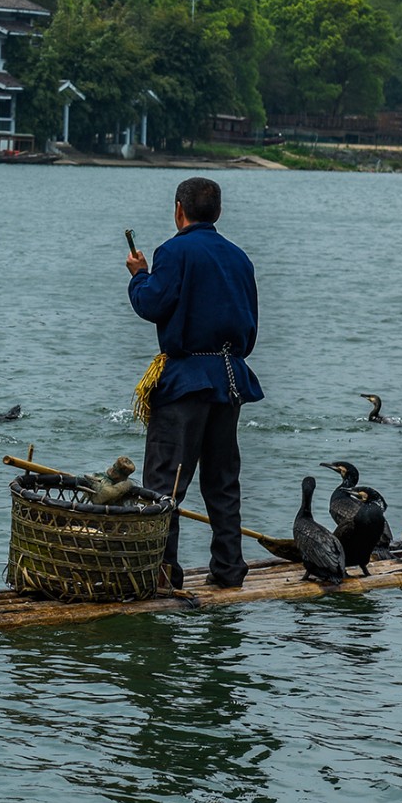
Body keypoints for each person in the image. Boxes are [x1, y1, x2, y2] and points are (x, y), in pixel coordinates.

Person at [124, 176, 264, 590]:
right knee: (223, 481)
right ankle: (229, 570)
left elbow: (152, 303)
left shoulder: (173, 251)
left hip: (185, 380)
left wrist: (139, 275)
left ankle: (164, 573)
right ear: (217, 213)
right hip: (229, 381)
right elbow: (250, 331)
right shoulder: (240, 258)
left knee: (165, 484)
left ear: (179, 211)